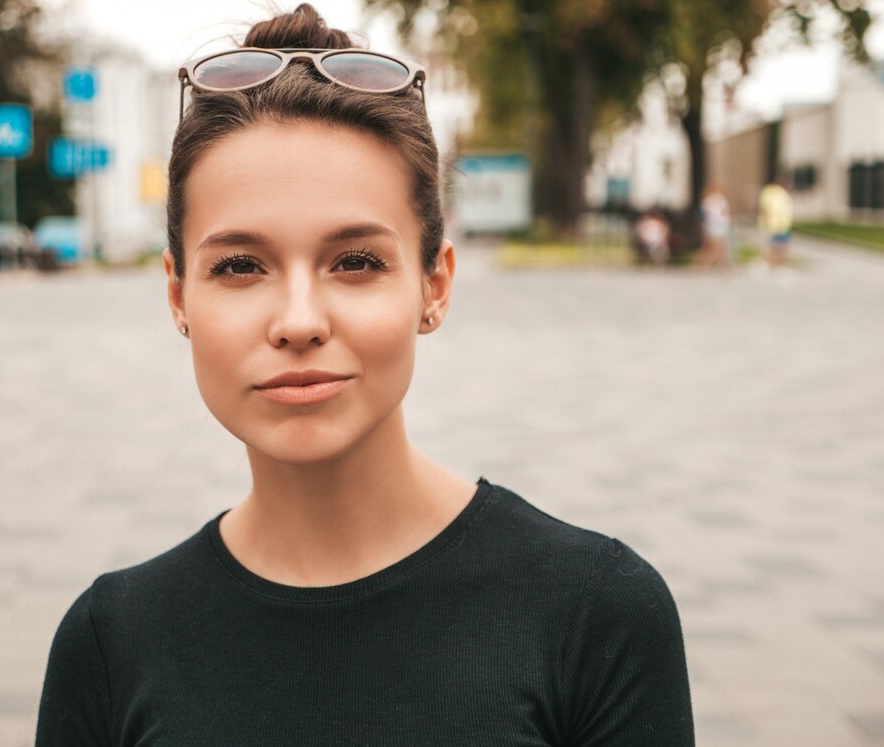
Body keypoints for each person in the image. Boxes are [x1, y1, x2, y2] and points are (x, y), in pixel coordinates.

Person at [35, 5, 694, 745]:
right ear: (178, 294)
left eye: (355, 261)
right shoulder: (111, 643)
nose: (299, 319)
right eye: (240, 265)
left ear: (434, 285)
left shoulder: (595, 613)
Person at [694, 184, 732, 271]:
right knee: (714, 249)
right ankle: (703, 266)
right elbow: (709, 215)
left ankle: (725, 269)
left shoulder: (721, 200)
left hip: (722, 227)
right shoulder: (709, 201)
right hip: (714, 227)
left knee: (723, 249)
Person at [758, 176, 793, 269]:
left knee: (782, 248)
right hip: (773, 226)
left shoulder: (782, 193)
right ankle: (772, 266)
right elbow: (765, 208)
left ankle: (778, 265)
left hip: (783, 225)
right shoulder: (770, 192)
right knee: (774, 248)